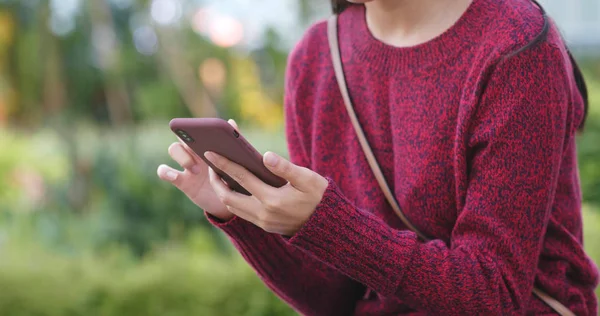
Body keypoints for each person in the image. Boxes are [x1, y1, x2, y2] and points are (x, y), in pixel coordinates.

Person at [157, 0, 599, 314]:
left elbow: (493, 294)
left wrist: (327, 224)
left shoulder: (516, 46)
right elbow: (334, 299)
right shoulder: (315, 59)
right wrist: (239, 214)